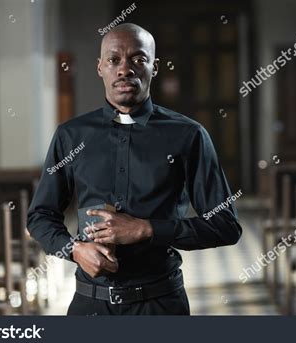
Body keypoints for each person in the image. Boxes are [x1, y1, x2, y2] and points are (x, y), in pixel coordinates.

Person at [27, 23, 242, 315]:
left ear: (154, 67)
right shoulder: (71, 136)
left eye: (138, 60)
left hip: (160, 304)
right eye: (114, 59)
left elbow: (225, 226)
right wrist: (75, 250)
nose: (125, 69)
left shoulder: (188, 135)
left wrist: (146, 229)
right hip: (90, 305)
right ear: (100, 67)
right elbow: (40, 216)